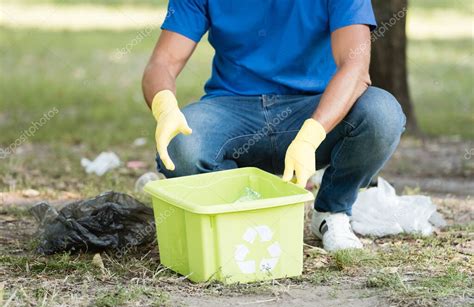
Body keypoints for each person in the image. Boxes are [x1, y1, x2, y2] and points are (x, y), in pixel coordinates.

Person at [142, 0, 406, 252]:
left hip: (312, 109)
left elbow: (355, 67)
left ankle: (331, 211)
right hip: (232, 109)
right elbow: (162, 62)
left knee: (381, 113)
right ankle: (242, 204)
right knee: (181, 145)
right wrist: (164, 106)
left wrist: (312, 134)